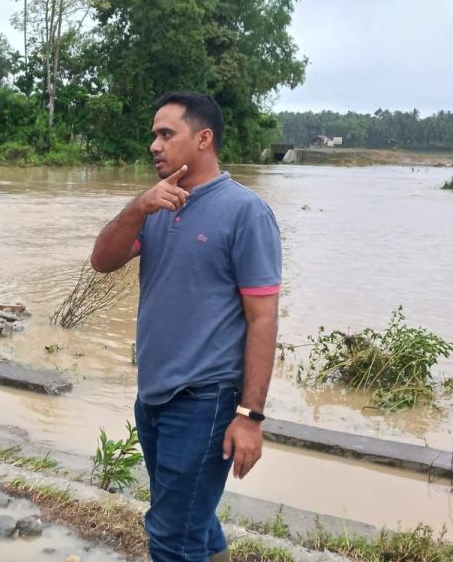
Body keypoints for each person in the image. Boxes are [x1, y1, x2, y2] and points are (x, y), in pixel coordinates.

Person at [91, 91, 282, 562]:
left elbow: (263, 319)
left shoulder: (245, 212)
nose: (154, 145)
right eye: (153, 135)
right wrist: (138, 207)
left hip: (205, 400)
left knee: (172, 536)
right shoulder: (157, 206)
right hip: (154, 394)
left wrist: (250, 416)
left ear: (203, 139)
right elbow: (102, 261)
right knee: (191, 520)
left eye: (165, 134)